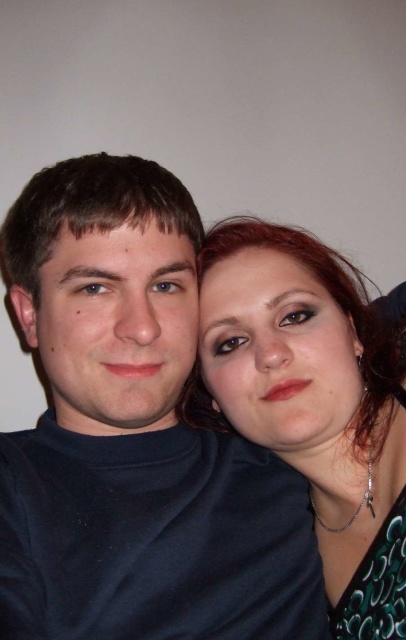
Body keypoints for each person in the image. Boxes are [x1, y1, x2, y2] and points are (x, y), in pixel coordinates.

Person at [0, 155, 330, 639]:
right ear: (29, 315)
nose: (142, 327)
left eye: (166, 285)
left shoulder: (281, 445)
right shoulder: (11, 486)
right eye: (95, 288)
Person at [182, 216, 406, 640]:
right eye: (230, 342)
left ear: (353, 331)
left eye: (294, 315)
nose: (271, 354)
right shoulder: (288, 579)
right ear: (211, 394)